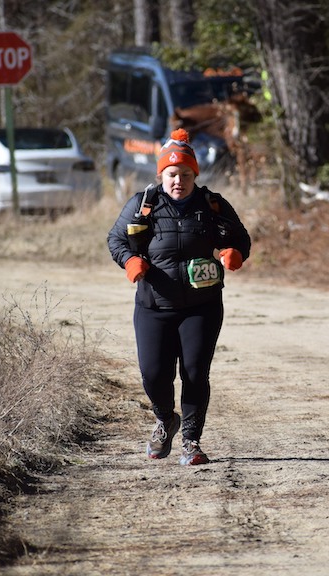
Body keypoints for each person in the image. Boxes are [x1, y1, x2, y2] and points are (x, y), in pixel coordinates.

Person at [108, 128, 251, 466]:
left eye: (186, 174)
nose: (178, 181)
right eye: (172, 174)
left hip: (201, 307)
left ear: (194, 175)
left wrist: (234, 253)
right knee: (154, 374)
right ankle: (164, 418)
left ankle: (191, 440)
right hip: (154, 305)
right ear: (162, 175)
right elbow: (116, 240)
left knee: (195, 372)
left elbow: (240, 237)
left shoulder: (212, 205)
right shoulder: (144, 204)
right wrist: (130, 261)